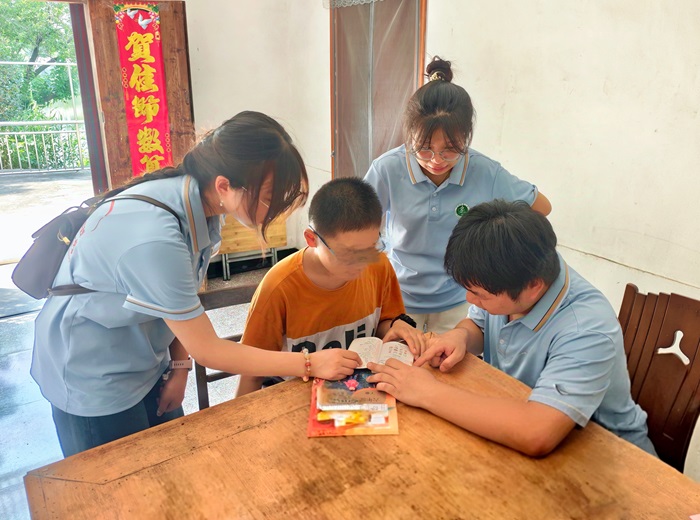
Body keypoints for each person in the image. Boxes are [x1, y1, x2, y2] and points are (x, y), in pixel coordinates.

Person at [31, 111, 361, 457]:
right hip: (91, 375)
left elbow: (181, 302)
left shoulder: (200, 208)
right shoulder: (155, 235)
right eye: (268, 196)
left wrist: (178, 368)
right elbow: (209, 349)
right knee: (119, 481)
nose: (276, 208)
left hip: (144, 361)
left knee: (167, 464)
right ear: (224, 186)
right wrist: (310, 363)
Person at [368, 200, 656, 457]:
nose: (470, 299)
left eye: (480, 295)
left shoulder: (587, 329)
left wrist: (427, 392)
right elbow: (479, 323)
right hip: (511, 414)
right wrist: (460, 335)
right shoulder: (517, 270)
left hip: (609, 458)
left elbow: (537, 432)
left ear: (533, 287)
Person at [364, 56, 552, 334]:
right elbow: (358, 224)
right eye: (424, 149)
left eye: (451, 150)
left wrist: (493, 250)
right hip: (398, 298)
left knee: (450, 359)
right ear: (409, 137)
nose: (436, 160)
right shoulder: (387, 169)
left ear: (466, 138)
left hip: (459, 301)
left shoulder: (485, 172)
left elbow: (542, 207)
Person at [236, 177, 426, 396]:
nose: (364, 263)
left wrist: (395, 326)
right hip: (293, 396)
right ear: (311, 239)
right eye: (349, 254)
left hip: (359, 390)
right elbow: (251, 370)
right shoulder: (278, 287)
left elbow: (383, 321)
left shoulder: (379, 265)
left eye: (372, 247)